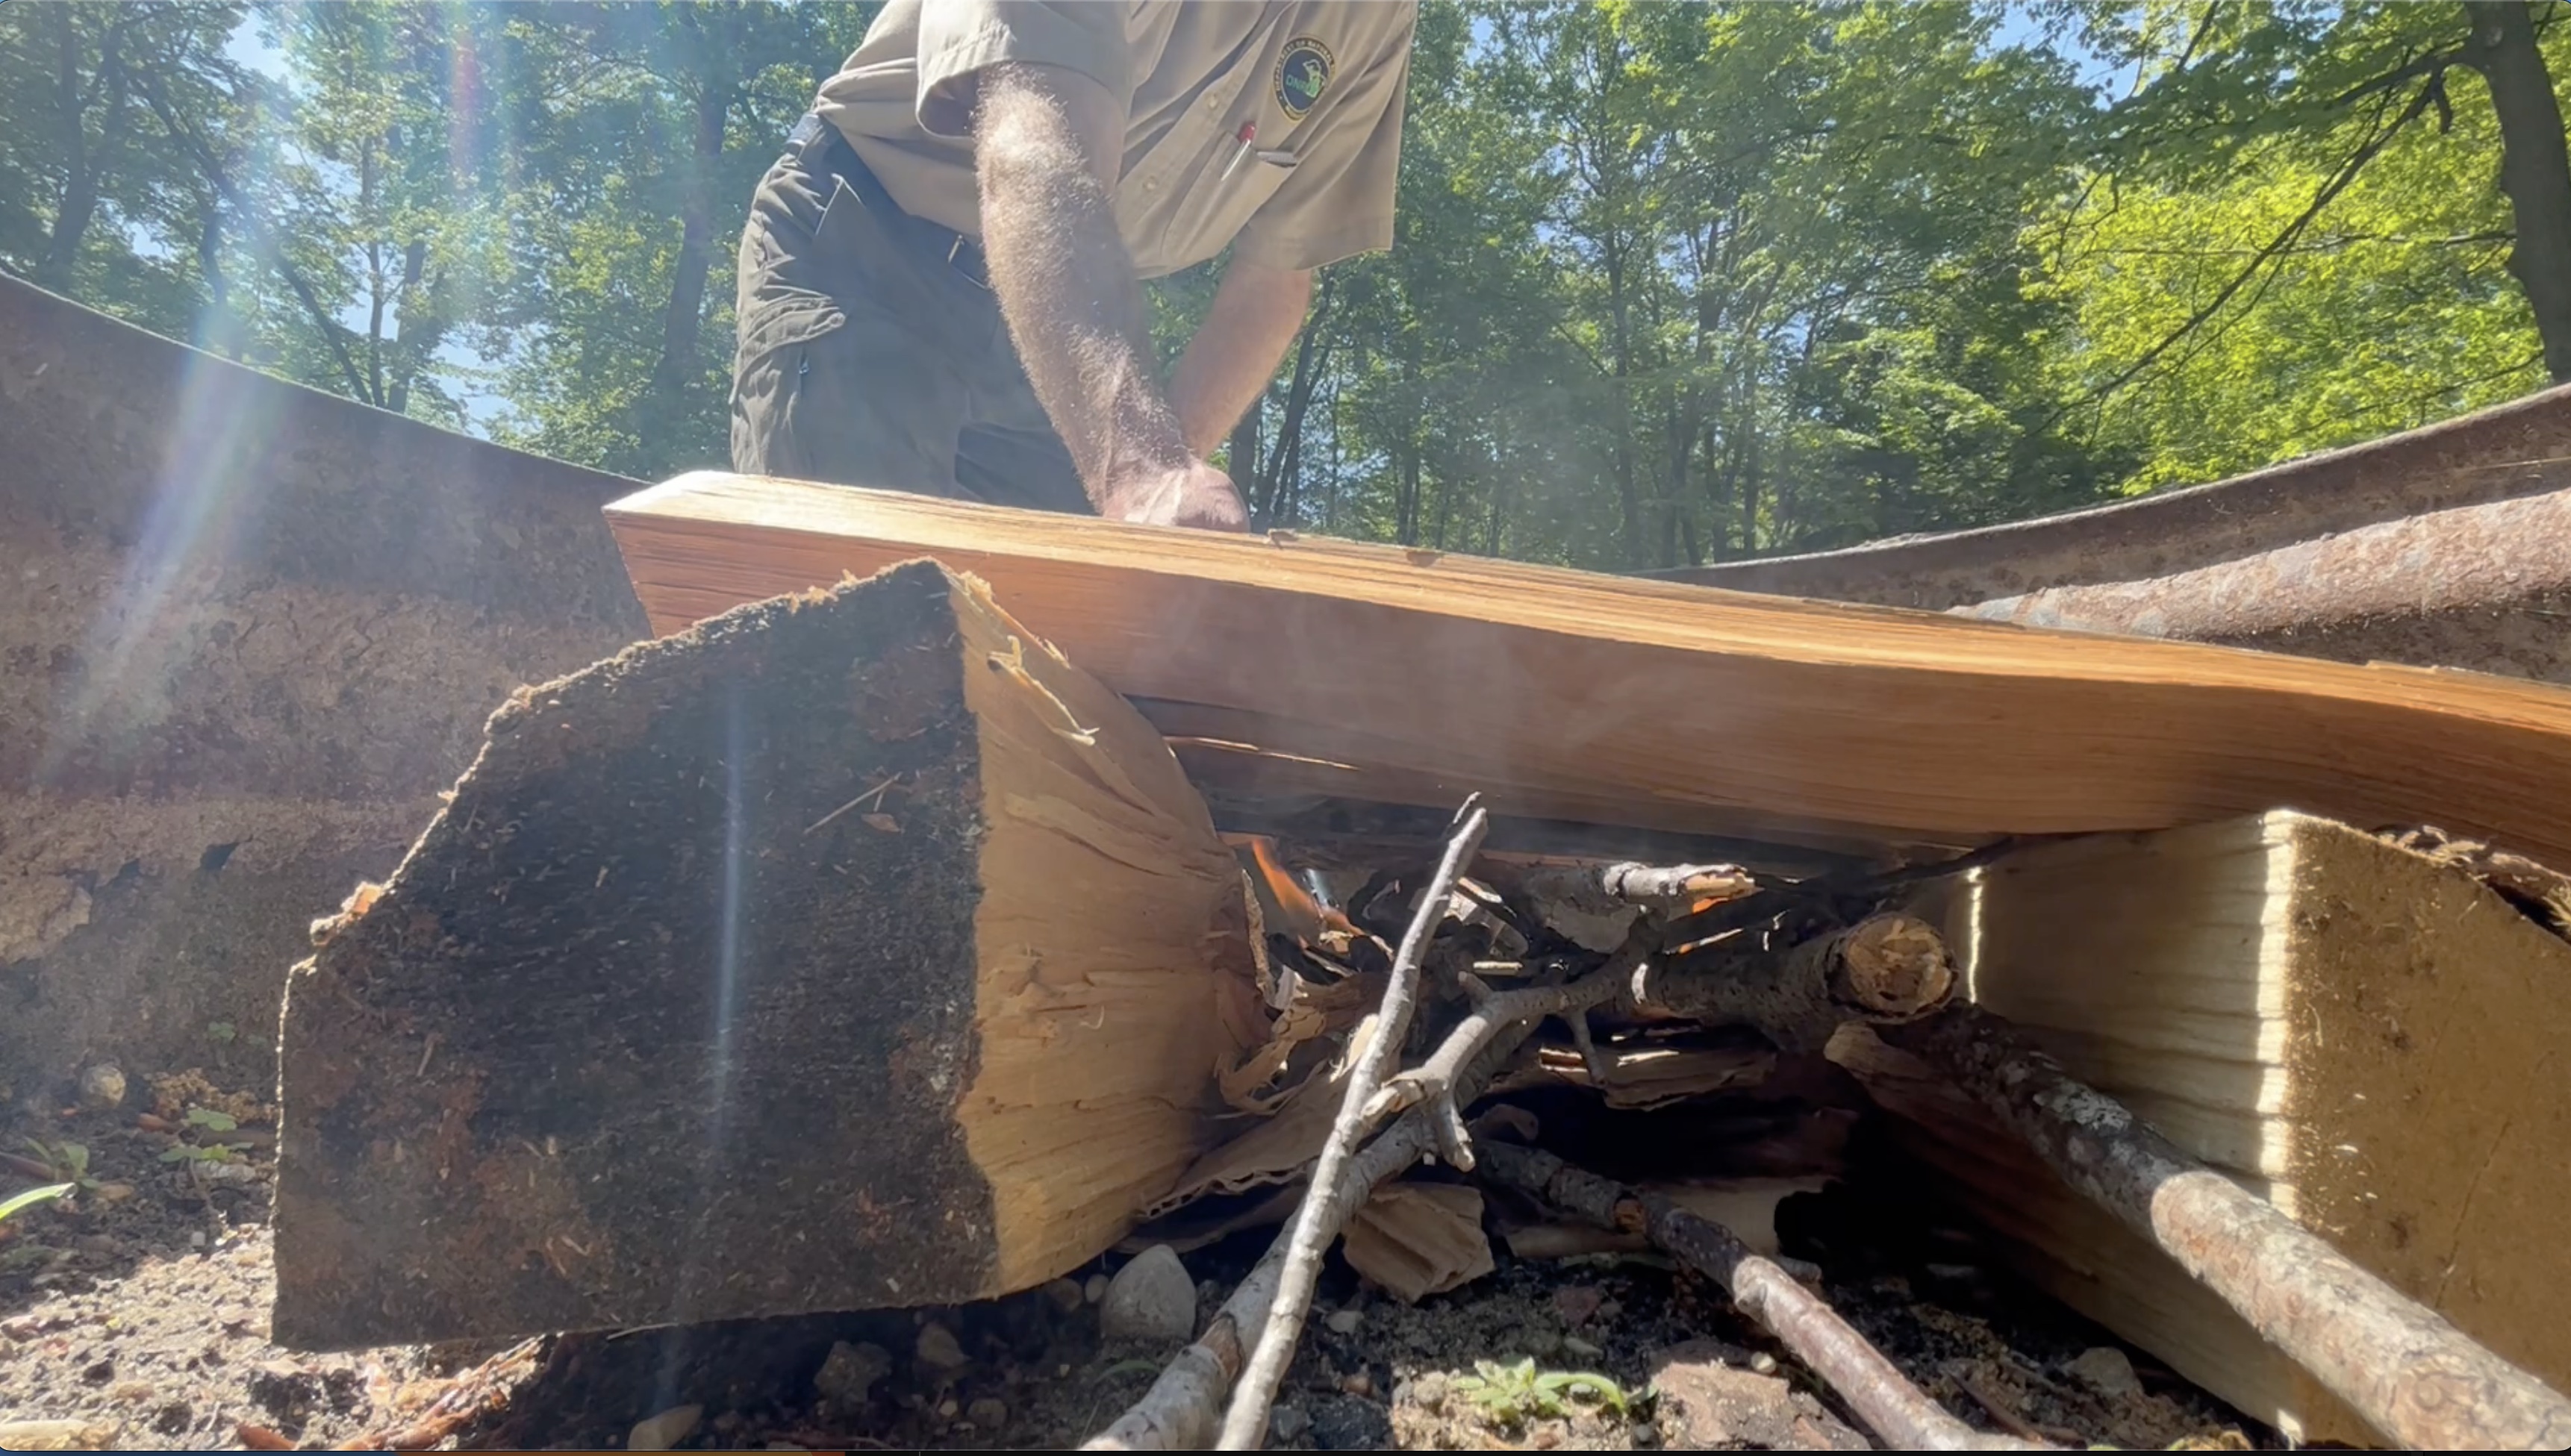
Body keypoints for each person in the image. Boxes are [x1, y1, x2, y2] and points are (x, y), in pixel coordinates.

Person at [729, 1, 1418, 531]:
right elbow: (1032, 151)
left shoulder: (1377, 19)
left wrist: (1154, 498)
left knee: (1063, 660)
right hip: (870, 251)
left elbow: (1274, 282)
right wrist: (1140, 468)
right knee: (855, 635)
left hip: (1058, 342)